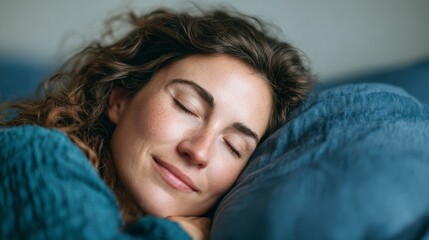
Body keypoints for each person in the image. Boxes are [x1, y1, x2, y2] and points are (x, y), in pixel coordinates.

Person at [0, 7, 313, 239]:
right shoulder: (35, 154)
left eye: (233, 147)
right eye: (186, 106)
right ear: (119, 100)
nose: (199, 151)